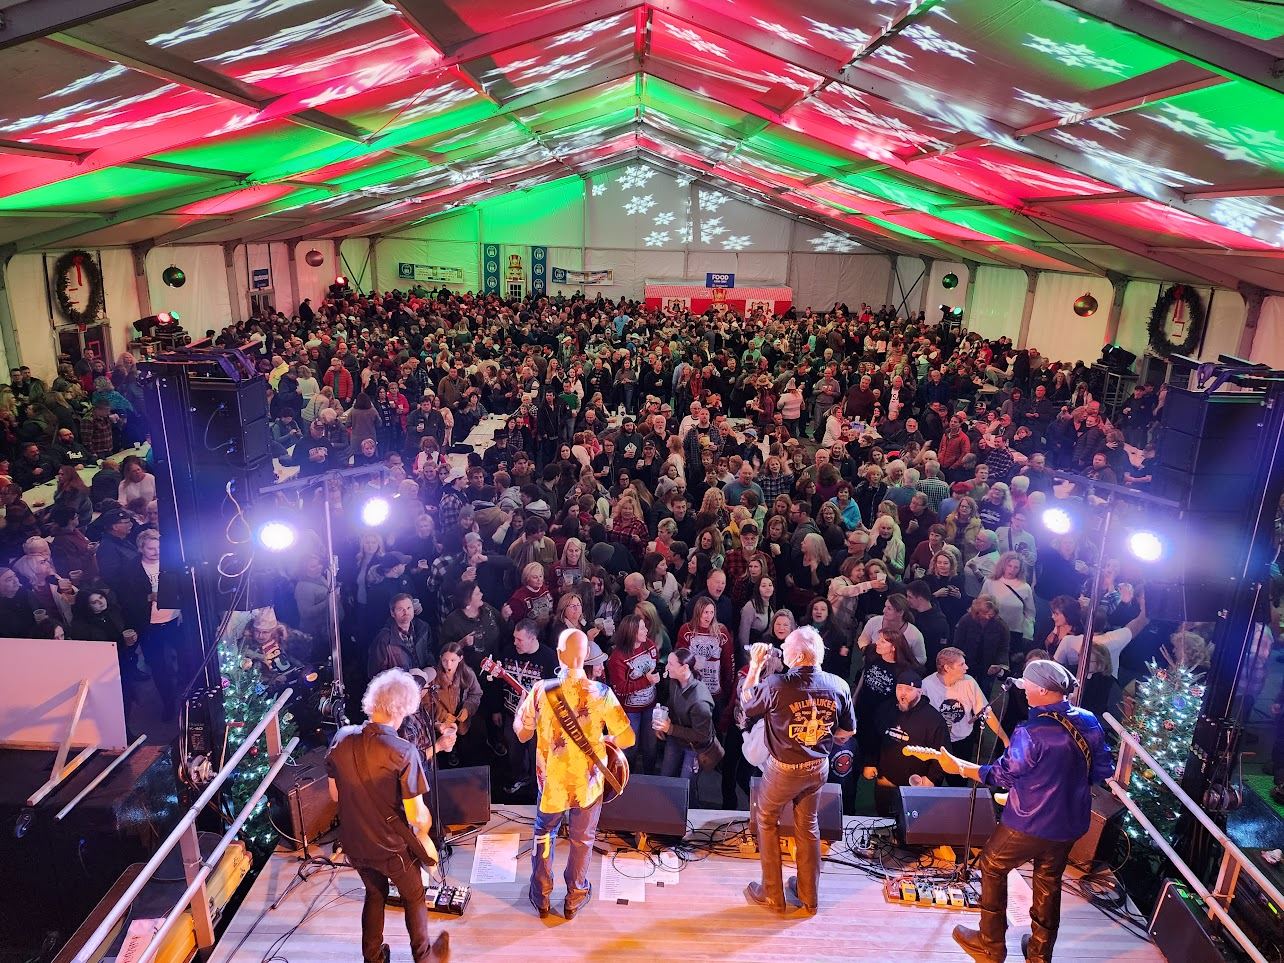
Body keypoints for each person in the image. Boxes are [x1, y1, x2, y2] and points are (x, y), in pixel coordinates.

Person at [936, 659, 1113, 963]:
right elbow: (1101, 769)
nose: (1025, 693)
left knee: (991, 865)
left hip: (1030, 822)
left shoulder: (1030, 731)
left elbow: (1003, 775)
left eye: (1028, 687)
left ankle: (990, 946)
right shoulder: (1088, 720)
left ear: (1044, 689)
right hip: (1070, 822)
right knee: (1048, 879)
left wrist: (965, 768)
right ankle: (1039, 953)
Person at [326, 669, 452, 963]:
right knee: (414, 895)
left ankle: (373, 957)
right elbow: (417, 817)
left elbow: (335, 796)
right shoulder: (403, 751)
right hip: (390, 849)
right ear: (403, 708)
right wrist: (427, 830)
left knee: (375, 892)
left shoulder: (341, 738)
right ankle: (424, 957)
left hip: (354, 845)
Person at [515, 629, 634, 920]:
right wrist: (605, 742)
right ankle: (574, 896)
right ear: (588, 659)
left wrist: (524, 711)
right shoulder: (602, 694)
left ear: (558, 654)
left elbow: (521, 735)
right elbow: (628, 738)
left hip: (552, 784)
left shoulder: (541, 690)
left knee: (544, 835)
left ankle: (541, 896)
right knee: (583, 839)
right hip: (587, 784)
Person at [740, 627, 855, 914]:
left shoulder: (777, 685)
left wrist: (755, 666)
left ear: (800, 655)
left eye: (786, 648)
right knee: (808, 826)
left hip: (784, 770)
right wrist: (822, 738)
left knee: (766, 820)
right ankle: (809, 897)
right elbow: (848, 730)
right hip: (818, 768)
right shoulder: (839, 684)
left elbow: (747, 702)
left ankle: (772, 894)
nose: (783, 651)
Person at [869, 670, 949, 817]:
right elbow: (874, 739)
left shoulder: (933, 720)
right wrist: (870, 763)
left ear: (920, 692)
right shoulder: (885, 710)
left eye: (909, 689)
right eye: (899, 688)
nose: (903, 694)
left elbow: (943, 753)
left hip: (916, 787)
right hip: (886, 782)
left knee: (914, 827)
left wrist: (932, 779)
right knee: (883, 821)